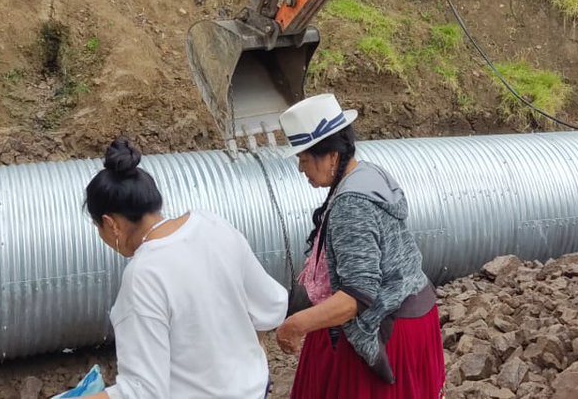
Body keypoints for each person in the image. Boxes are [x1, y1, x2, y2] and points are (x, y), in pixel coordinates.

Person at [84, 138, 289, 399]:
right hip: (255, 389)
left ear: (111, 224)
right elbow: (272, 304)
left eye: (98, 229)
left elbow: (142, 391)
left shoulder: (144, 276)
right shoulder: (211, 224)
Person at [274, 93, 445, 398]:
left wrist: (296, 324)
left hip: (388, 326)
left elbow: (356, 296)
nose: (300, 168)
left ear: (330, 155)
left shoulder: (351, 203)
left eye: (303, 158)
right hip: (412, 310)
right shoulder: (367, 173)